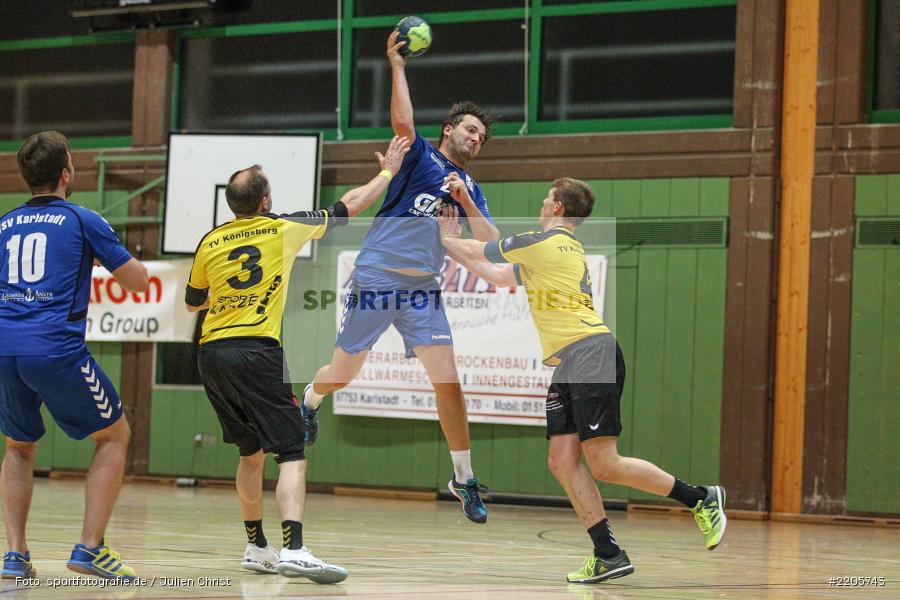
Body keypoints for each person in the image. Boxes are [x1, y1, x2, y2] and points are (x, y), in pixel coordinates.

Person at [437, 179, 727, 583]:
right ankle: (608, 553)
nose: (541, 205)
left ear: (557, 208)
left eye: (545, 200)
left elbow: (480, 249)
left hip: (590, 351)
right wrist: (452, 240)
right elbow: (497, 275)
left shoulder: (544, 241)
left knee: (605, 463)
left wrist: (443, 236)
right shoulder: (558, 249)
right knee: (561, 460)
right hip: (571, 360)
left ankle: (701, 498)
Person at [184, 136, 410, 583]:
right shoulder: (282, 227)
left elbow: (194, 302)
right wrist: (388, 172)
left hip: (211, 353)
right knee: (290, 451)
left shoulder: (210, 240)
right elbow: (347, 206)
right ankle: (295, 548)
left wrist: (230, 293)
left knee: (249, 453)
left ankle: (255, 546)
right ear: (266, 200)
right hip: (256, 349)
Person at [300, 30, 500, 524]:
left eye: (482, 137)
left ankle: (463, 478)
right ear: (449, 128)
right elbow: (402, 121)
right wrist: (398, 65)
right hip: (376, 276)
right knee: (343, 374)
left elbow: (490, 237)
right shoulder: (420, 156)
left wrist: (467, 199)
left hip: (421, 291)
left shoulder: (468, 185)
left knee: (449, 382)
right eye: (470, 130)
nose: (476, 139)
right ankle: (307, 399)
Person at [0, 131, 149, 580]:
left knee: (19, 446)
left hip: (5, 348)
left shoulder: (4, 223)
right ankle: (89, 548)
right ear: (67, 173)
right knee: (114, 434)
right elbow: (138, 282)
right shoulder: (83, 219)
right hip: (54, 348)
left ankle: (15, 554)